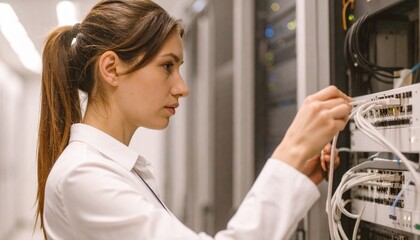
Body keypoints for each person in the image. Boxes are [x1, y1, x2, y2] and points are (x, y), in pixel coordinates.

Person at [36, 0, 352, 239]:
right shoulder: (83, 175)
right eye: (166, 66)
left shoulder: (104, 168)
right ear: (111, 69)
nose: (182, 88)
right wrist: (291, 151)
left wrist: (297, 177)